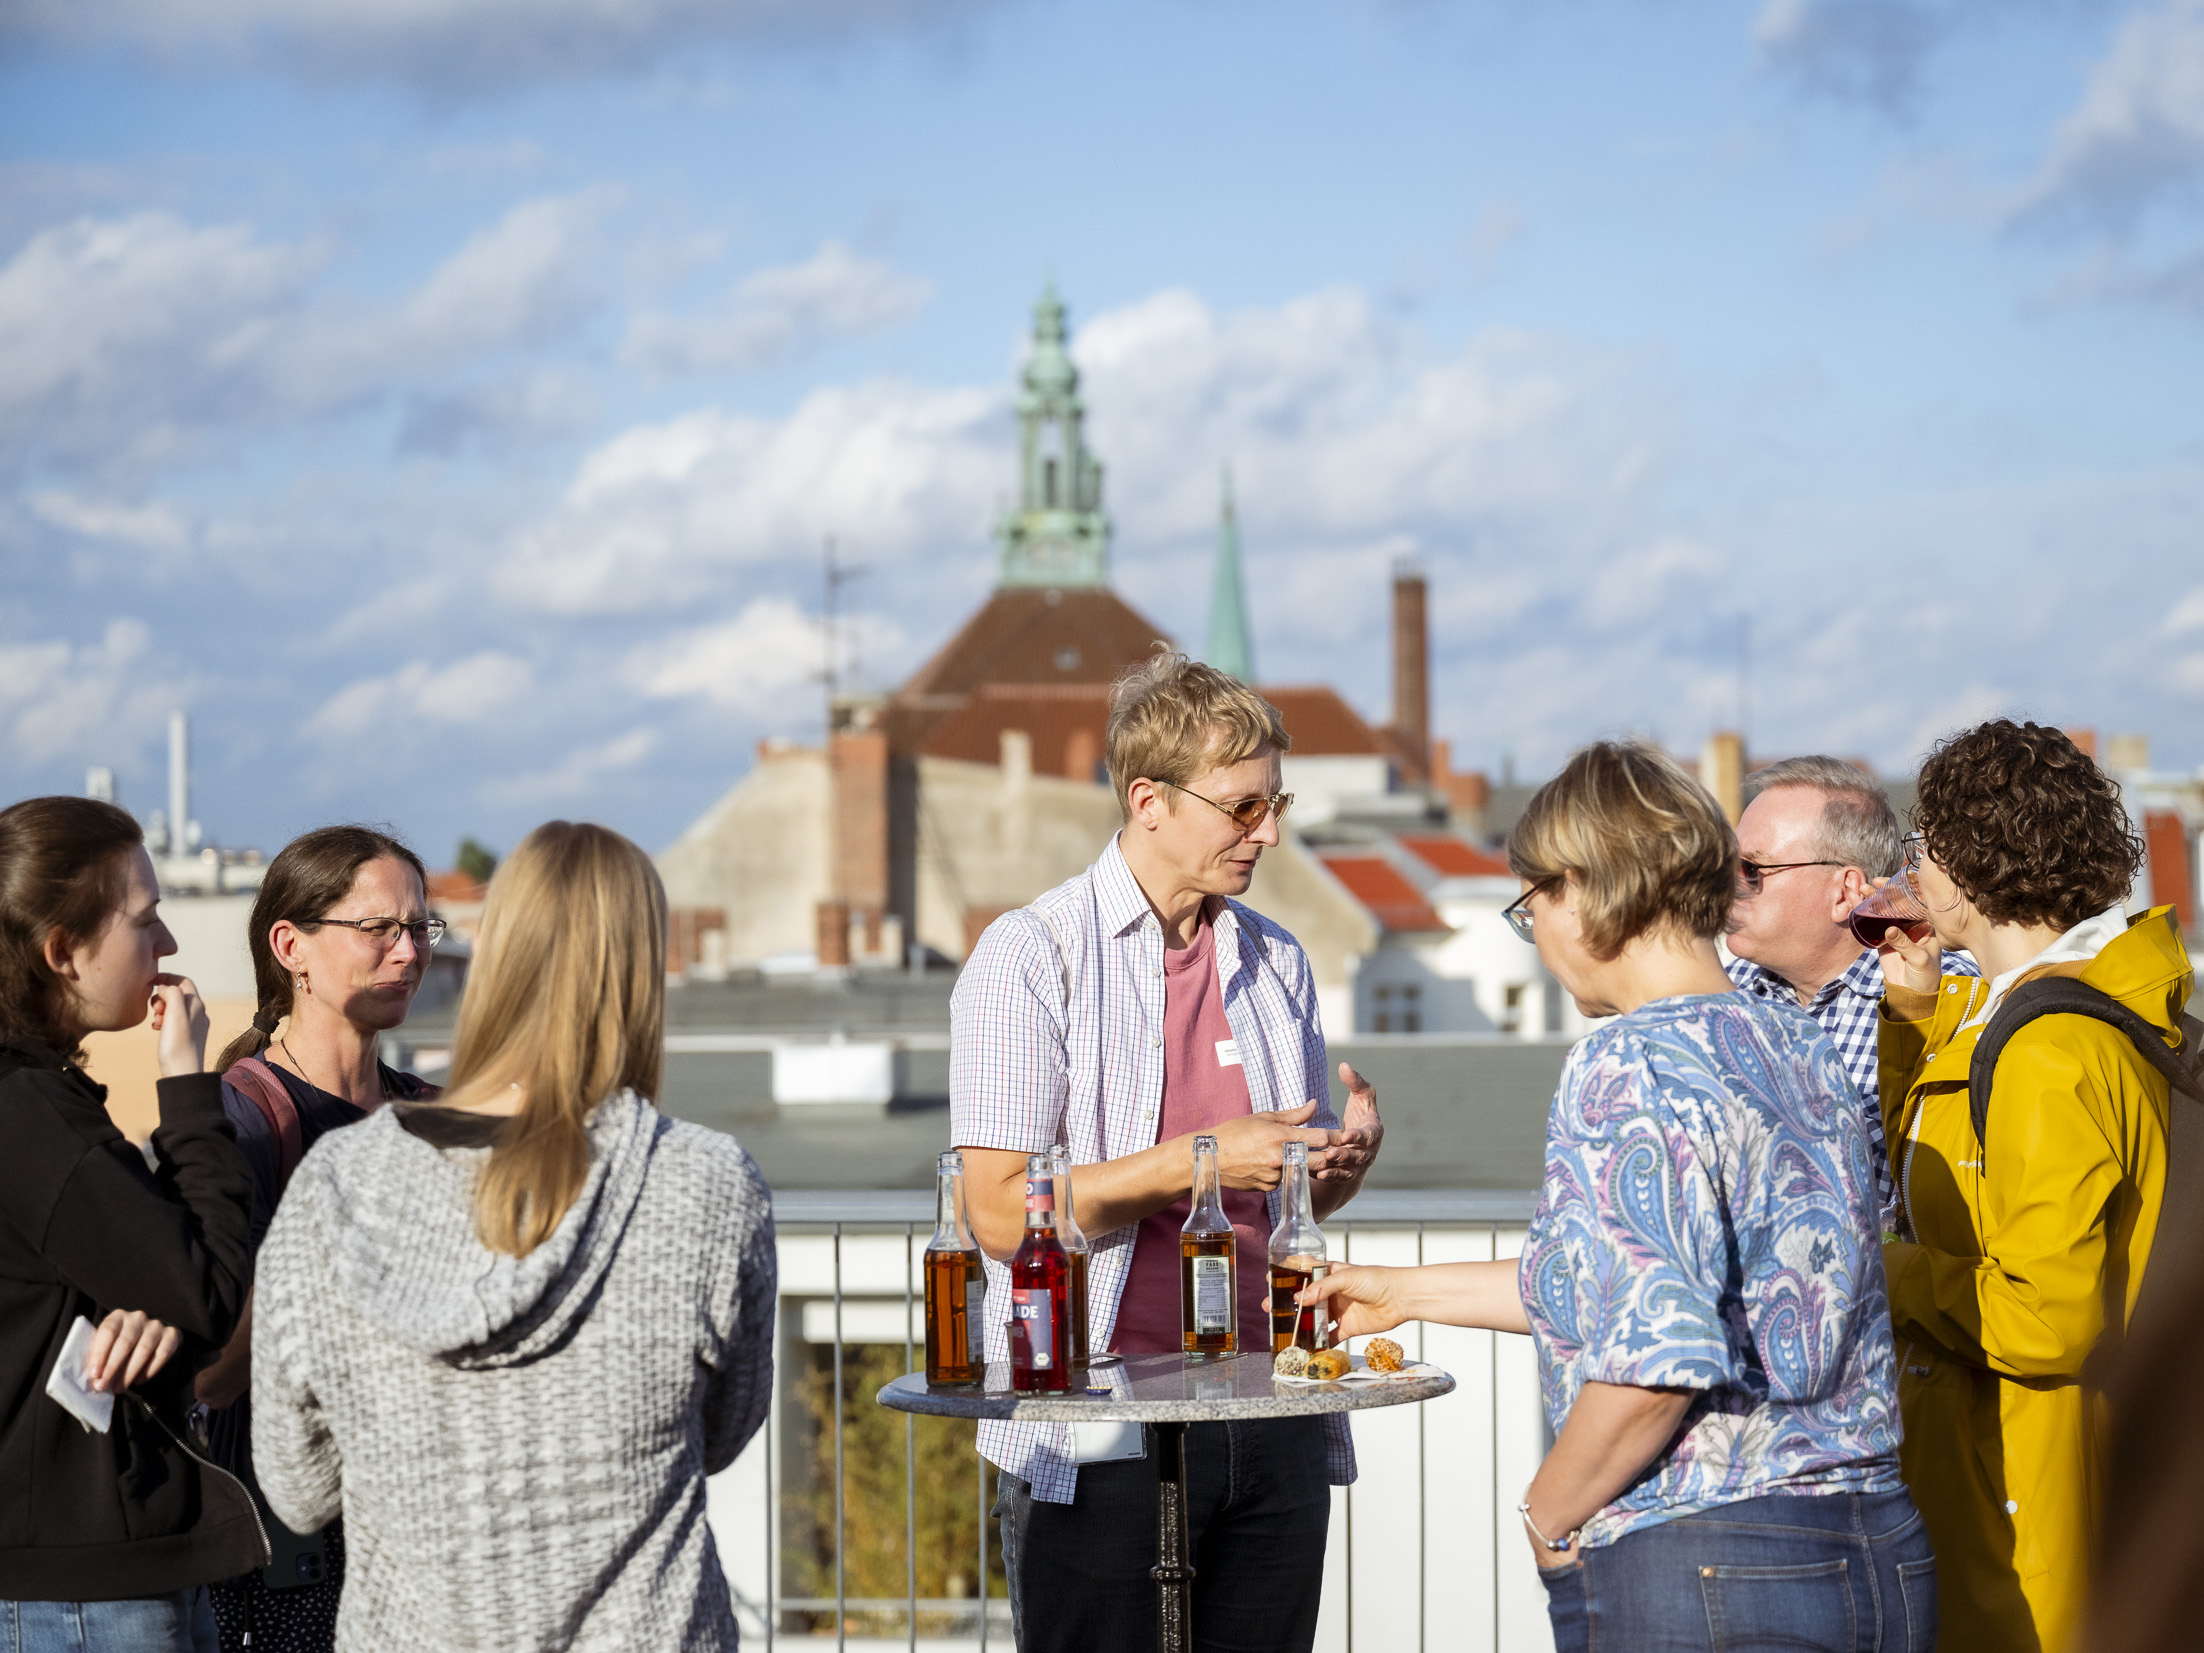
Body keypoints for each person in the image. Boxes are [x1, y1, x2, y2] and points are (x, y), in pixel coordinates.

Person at [1309, 741, 1932, 1653]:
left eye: (1532, 906)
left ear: (1583, 891)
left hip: (1709, 1551)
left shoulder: (1628, 1060)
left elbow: (1657, 1362)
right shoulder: (1799, 1043)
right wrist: (1402, 1291)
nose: (1540, 936)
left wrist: (1547, 1510)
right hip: (1877, 1544)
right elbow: (1663, 1279)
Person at [249, 821, 777, 1651]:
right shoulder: (707, 1180)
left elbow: (298, 1487)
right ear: (641, 969)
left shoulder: (338, 1183)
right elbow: (724, 1433)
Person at [951, 653, 1384, 1653]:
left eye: (1275, 804)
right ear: (1149, 801)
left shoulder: (1277, 958)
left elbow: (1273, 1198)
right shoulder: (1032, 956)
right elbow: (1000, 1212)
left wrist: (1330, 1174)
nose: (1267, 832)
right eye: (1242, 808)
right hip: (1098, 1422)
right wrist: (1200, 1159)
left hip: (1270, 1408)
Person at [1872, 718, 2189, 1653]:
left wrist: (1885, 1272)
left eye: (1924, 843)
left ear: (1972, 861)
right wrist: (1914, 1018)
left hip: (2025, 1506)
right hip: (2030, 1478)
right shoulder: (2073, 1006)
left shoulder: (2048, 1048)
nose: (1914, 865)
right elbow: (1954, 1186)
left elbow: (2047, 1318)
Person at [0, 795, 263, 1649]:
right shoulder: (32, 1116)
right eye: (146, 919)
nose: (169, 943)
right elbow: (211, 1286)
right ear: (62, 951)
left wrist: (159, 1306)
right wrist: (186, 1083)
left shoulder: (35, 1103)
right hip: (83, 1597)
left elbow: (165, 1277)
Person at [194, 827, 444, 1653]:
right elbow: (212, 1374)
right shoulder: (237, 1122)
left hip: (425, 1544)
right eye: (378, 928)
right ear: (290, 947)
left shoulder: (436, 1117)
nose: (408, 951)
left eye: (420, 927)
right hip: (292, 1559)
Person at [1725, 755, 1978, 1228]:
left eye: (1752, 869)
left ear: (1845, 891)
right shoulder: (1727, 990)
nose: (1730, 887)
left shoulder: (1948, 998)